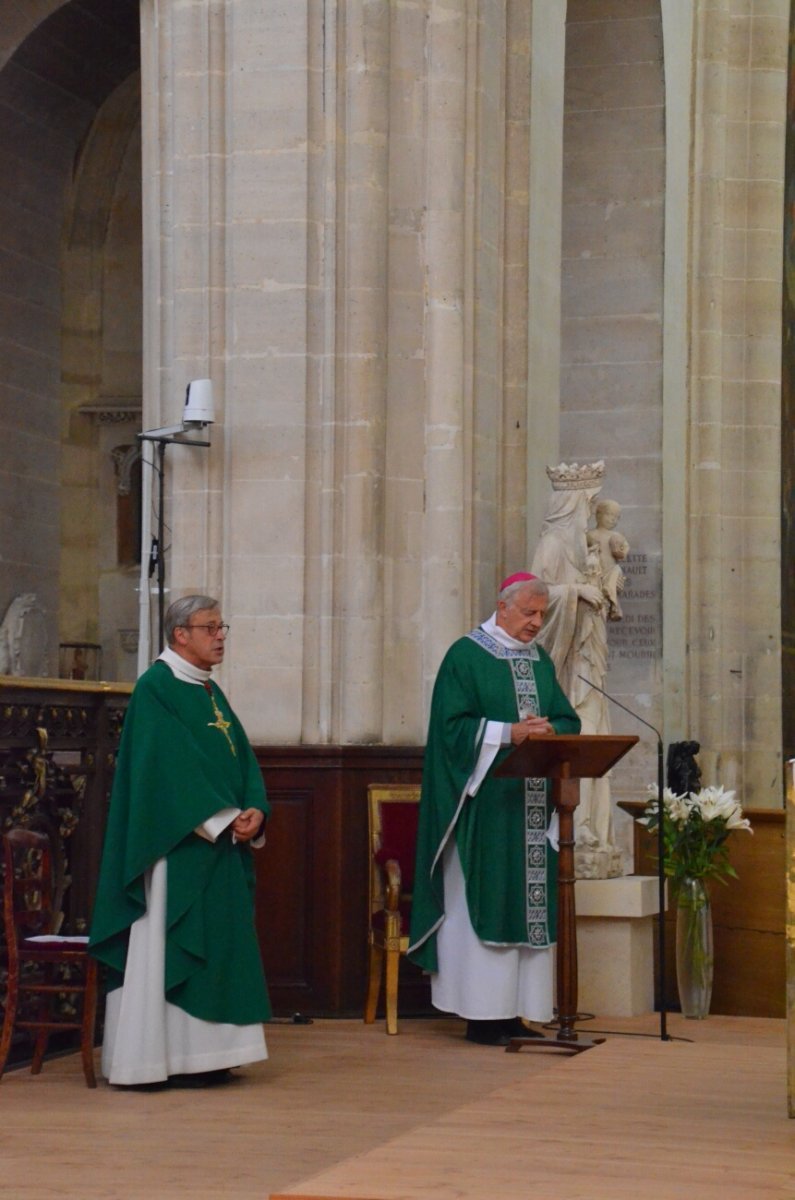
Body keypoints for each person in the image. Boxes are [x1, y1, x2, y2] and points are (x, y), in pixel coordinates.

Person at [89, 595, 271, 1087]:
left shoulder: (210, 691)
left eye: (221, 626)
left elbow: (242, 759)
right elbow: (166, 772)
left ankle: (210, 1056)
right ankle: (159, 1058)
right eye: (209, 627)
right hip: (175, 847)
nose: (220, 635)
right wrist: (223, 816)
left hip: (219, 841)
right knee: (174, 943)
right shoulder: (157, 688)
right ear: (179, 635)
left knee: (220, 949)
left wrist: (255, 807)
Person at [407, 574, 580, 1046]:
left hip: (532, 808)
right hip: (484, 810)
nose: (536, 623)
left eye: (541, 614)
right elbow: (450, 730)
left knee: (530, 910)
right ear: (502, 607)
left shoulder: (540, 660)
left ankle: (522, 1011)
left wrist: (551, 728)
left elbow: (568, 717)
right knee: (482, 903)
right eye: (529, 613)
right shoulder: (466, 655)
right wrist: (508, 733)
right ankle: (483, 1015)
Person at [531, 463, 622, 877]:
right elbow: (531, 598)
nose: (590, 514)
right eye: (587, 504)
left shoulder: (584, 548)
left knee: (595, 730)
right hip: (563, 664)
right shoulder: (551, 545)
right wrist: (574, 591)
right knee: (578, 728)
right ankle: (573, 826)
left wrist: (599, 589)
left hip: (587, 653)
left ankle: (591, 829)